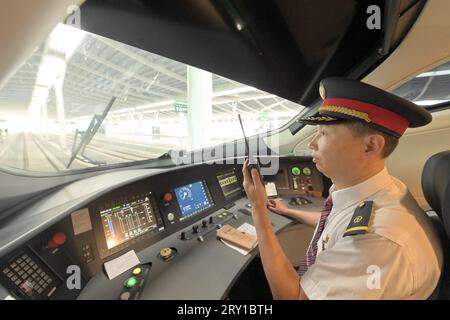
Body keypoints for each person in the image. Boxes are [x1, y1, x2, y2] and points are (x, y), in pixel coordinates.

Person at [242, 77, 443, 300]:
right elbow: (338, 222)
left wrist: (258, 211)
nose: (312, 143)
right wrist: (290, 211)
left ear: (370, 145)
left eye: (324, 134)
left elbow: (293, 297)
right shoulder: (382, 190)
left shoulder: (375, 242)